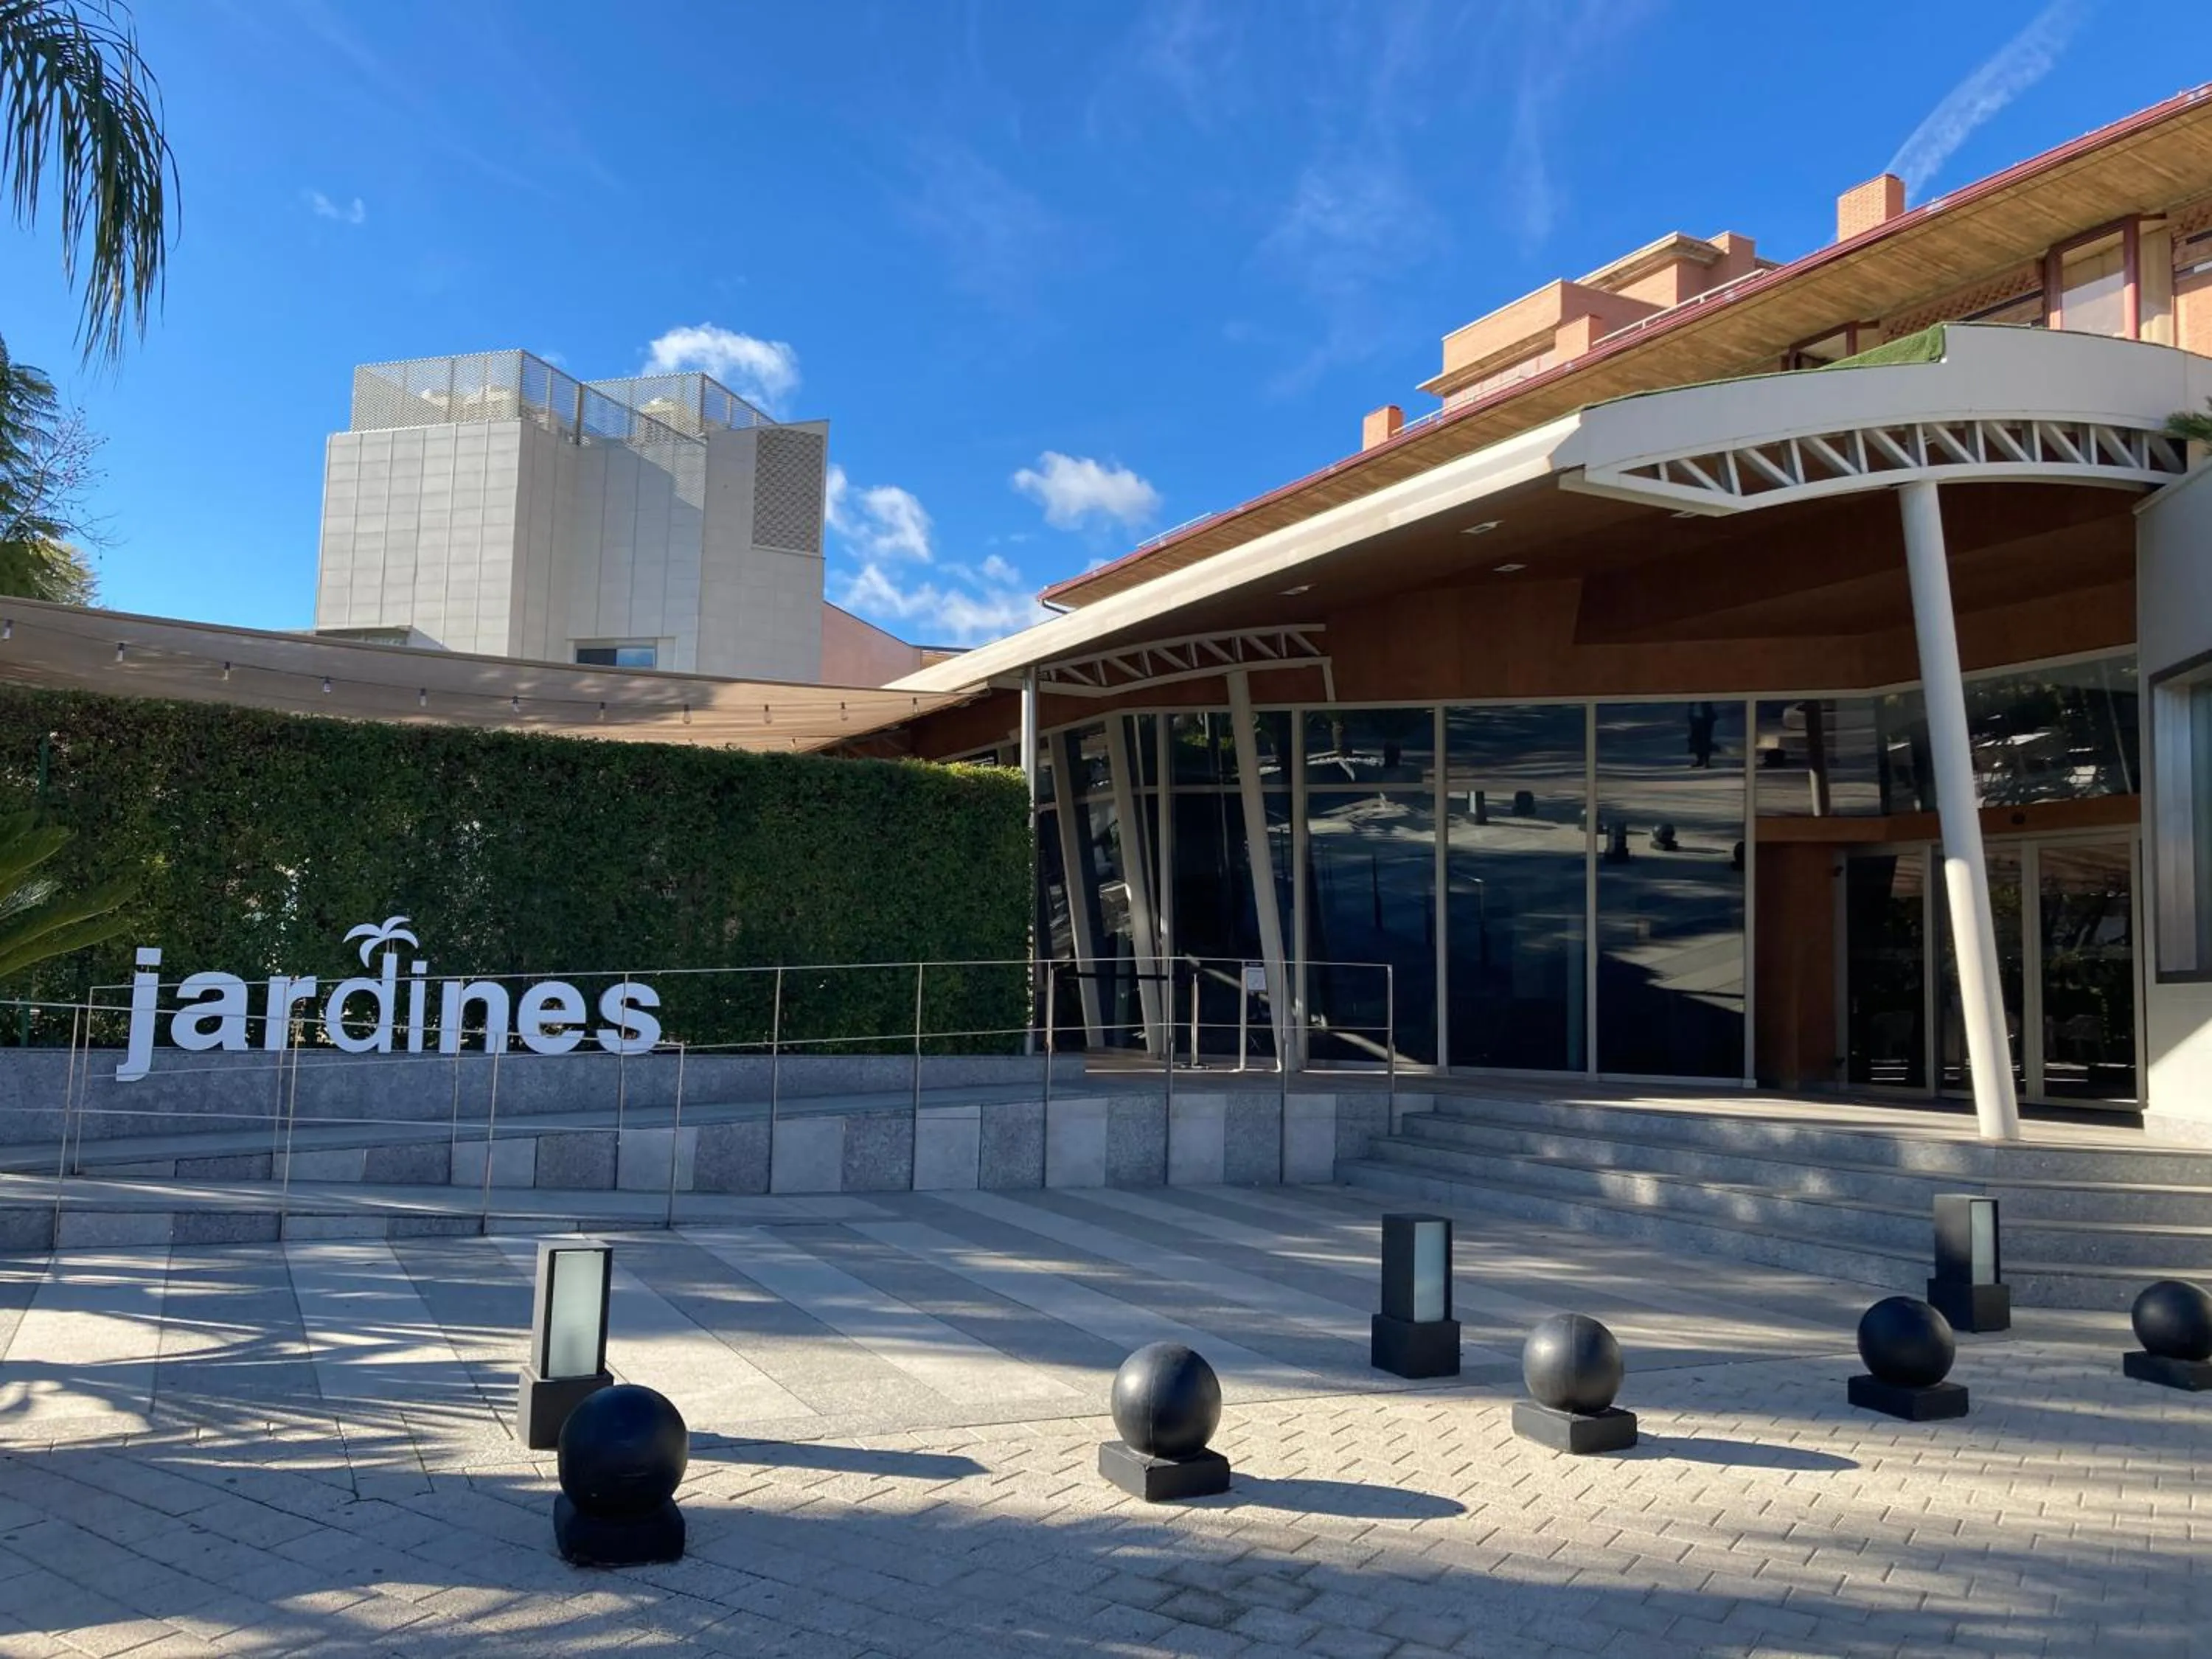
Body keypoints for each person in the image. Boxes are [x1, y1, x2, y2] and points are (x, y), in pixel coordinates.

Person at [1686, 701, 1718, 769]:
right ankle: (1700, 760)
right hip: (1697, 717)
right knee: (1697, 739)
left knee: (1705, 739)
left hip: (1706, 718)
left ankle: (1706, 761)